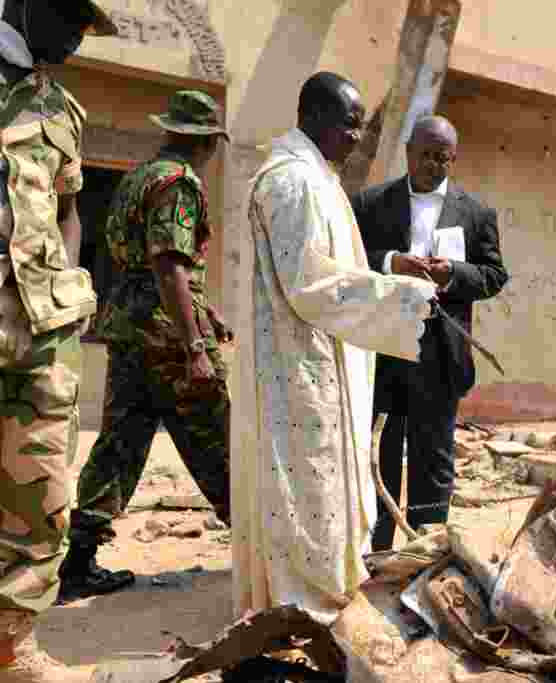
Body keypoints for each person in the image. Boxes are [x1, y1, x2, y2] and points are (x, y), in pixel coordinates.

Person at [239, 72, 436, 625]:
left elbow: (333, 270)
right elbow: (308, 284)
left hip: (319, 356)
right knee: (308, 487)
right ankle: (306, 605)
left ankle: (324, 592)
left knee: (322, 485)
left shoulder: (316, 178)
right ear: (314, 117)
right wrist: (401, 296)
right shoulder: (294, 181)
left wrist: (384, 278)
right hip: (299, 364)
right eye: (349, 125)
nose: (356, 137)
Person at [59, 91, 232, 604]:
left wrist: (205, 308)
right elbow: (168, 264)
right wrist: (195, 344)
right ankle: (260, 549)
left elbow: (150, 264)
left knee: (118, 443)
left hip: (131, 329)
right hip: (167, 338)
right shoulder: (179, 185)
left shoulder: (138, 177)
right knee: (219, 440)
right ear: (201, 140)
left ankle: (79, 559)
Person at [0, 1, 118, 680]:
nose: (77, 32)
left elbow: (71, 210)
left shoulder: (62, 110)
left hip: (43, 337)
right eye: (68, 12)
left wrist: (69, 279)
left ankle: (11, 650)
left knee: (42, 500)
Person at [353, 115, 508, 551]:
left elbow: (495, 275)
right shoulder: (371, 203)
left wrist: (454, 274)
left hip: (441, 354)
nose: (433, 165)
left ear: (453, 159)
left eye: (443, 158)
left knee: (433, 458)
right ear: (408, 152)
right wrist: (389, 263)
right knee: (379, 452)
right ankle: (376, 550)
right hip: (384, 351)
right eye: (425, 155)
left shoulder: (476, 214)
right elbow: (350, 259)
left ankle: (427, 550)